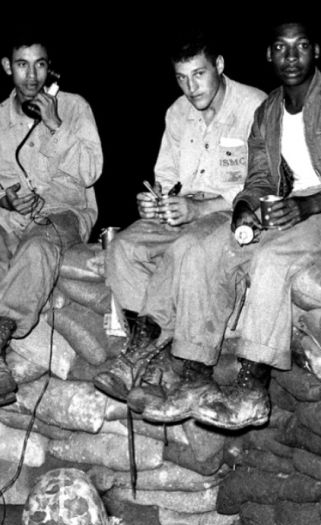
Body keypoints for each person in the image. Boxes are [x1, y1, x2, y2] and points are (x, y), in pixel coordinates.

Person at [127, 19, 321, 430]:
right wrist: (245, 208)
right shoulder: (268, 111)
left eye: (300, 46)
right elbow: (260, 179)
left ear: (315, 51)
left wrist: (310, 205)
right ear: (269, 55)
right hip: (289, 208)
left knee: (271, 258)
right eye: (281, 48)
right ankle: (195, 375)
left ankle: (251, 389)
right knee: (204, 248)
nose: (291, 57)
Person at [93, 32, 266, 402]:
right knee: (123, 248)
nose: (191, 87)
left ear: (219, 66)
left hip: (230, 215)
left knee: (187, 248)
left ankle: (138, 356)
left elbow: (262, 185)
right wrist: (156, 201)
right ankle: (154, 353)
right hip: (184, 210)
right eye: (182, 78)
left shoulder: (255, 107)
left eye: (199, 74)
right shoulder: (176, 112)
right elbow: (167, 177)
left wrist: (201, 209)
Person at [0, 36, 103, 406]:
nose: (32, 75)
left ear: (50, 67)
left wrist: (56, 125)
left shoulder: (74, 108)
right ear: (8, 67)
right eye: (22, 64)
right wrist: (3, 199)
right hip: (9, 216)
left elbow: (91, 171)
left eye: (40, 64)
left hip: (63, 213)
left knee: (37, 249)